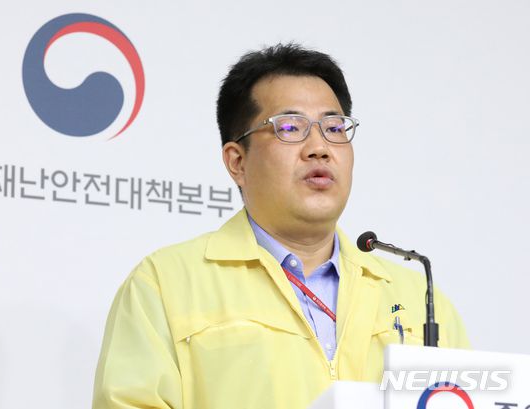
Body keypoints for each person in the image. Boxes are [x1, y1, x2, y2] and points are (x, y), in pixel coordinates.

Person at [91, 43, 470, 409]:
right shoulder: (165, 284)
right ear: (237, 161)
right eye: (290, 127)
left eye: (334, 128)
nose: (319, 147)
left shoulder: (419, 296)